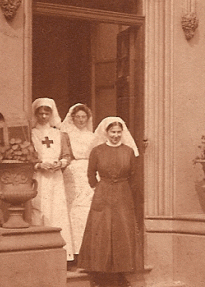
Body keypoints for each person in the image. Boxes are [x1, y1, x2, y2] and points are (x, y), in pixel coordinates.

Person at [78, 117, 141, 284]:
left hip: (123, 193)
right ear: (106, 132)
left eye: (119, 132)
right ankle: (100, 272)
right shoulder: (97, 151)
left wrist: (126, 191)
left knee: (122, 231)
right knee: (102, 229)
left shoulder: (128, 151)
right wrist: (99, 188)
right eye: (113, 132)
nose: (116, 135)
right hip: (103, 193)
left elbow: (134, 176)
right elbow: (91, 174)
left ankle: (121, 272)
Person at [31, 97, 74, 262]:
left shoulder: (59, 134)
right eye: (40, 113)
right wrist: (39, 165)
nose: (43, 116)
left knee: (57, 210)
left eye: (46, 113)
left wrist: (60, 163)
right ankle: (39, 254)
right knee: (40, 209)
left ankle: (61, 254)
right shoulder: (32, 133)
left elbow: (67, 155)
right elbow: (29, 157)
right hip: (39, 177)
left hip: (56, 178)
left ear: (51, 114)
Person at [61, 103, 95, 263]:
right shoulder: (66, 134)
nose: (81, 120)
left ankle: (86, 250)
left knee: (87, 209)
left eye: (84, 117)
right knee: (73, 209)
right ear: (72, 118)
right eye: (78, 117)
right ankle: (72, 251)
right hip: (72, 171)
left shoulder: (92, 135)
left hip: (88, 171)